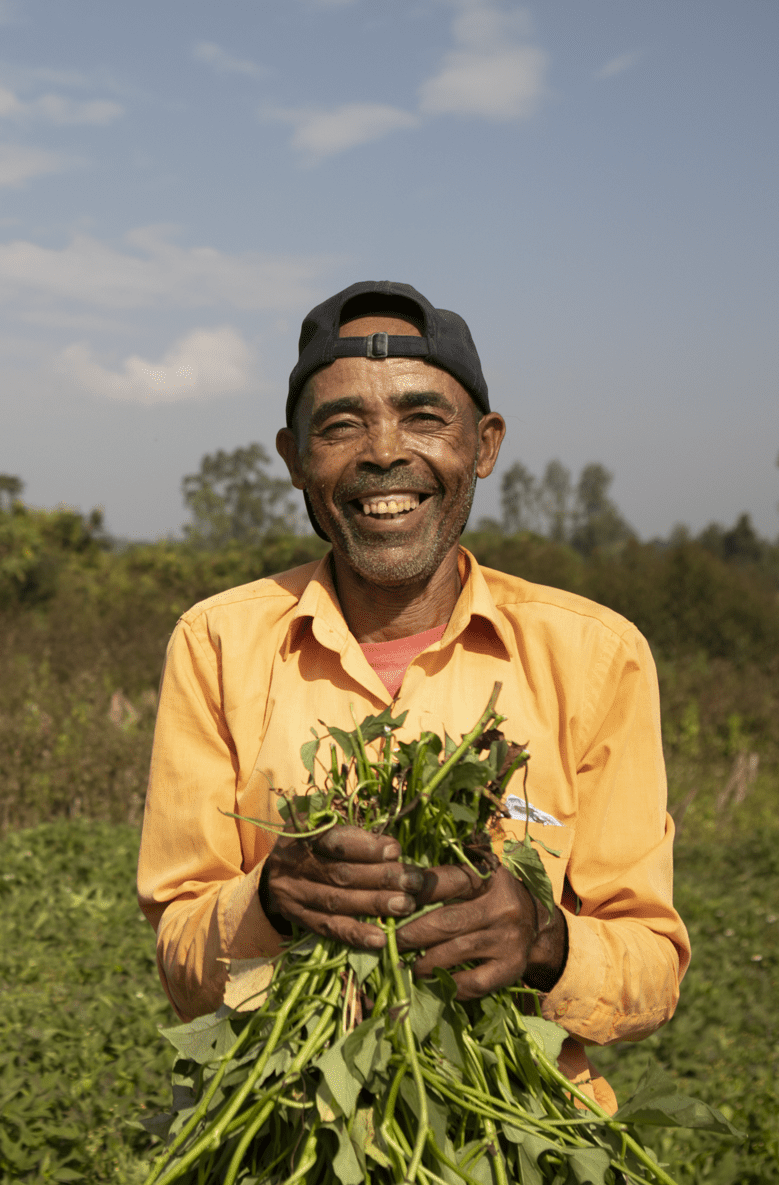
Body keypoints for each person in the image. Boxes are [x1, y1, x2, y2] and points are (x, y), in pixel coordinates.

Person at [137, 280, 687, 1111]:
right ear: (293, 459)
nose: (384, 452)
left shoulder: (595, 656)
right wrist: (270, 900)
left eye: (424, 417)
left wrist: (544, 939)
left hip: (524, 1135)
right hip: (280, 1128)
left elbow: (649, 963)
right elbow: (183, 962)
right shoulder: (217, 643)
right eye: (342, 424)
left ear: (485, 444)